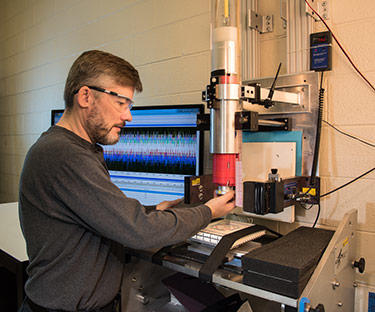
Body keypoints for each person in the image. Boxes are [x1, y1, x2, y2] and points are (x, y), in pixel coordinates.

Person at [18, 50, 236, 312]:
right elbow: (138, 231)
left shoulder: (76, 148)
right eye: (121, 102)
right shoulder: (63, 154)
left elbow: (100, 214)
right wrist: (209, 211)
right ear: (86, 96)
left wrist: (153, 210)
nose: (128, 116)